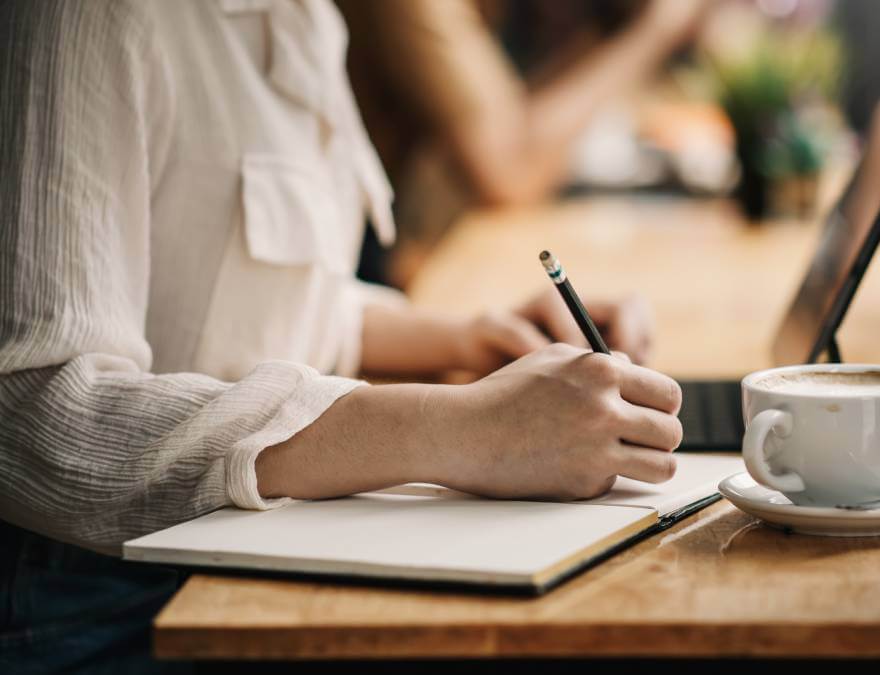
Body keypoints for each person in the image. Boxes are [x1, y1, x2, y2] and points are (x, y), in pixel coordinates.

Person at [0, 0, 681, 670]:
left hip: (254, 549)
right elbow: (30, 412)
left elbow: (264, 305)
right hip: (97, 604)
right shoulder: (86, 15)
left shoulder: (309, 15)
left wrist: (475, 339)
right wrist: (464, 429)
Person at [337, 0, 713, 287]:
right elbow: (510, 172)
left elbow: (514, 119)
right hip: (354, 268)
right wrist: (656, 28)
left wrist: (613, 25)